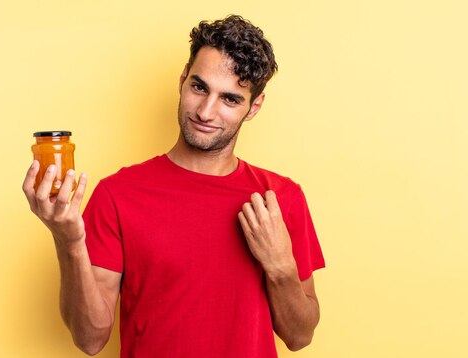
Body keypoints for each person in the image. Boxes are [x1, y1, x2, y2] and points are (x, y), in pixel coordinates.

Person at [22, 15, 325, 357]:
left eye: (229, 99)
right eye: (199, 87)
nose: (206, 112)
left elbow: (300, 336)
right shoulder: (117, 194)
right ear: (183, 79)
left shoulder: (280, 198)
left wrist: (282, 268)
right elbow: (90, 339)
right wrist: (68, 241)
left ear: (253, 107)